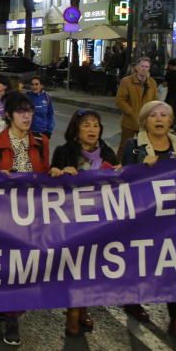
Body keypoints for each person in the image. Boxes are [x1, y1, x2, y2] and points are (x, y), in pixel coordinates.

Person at [0, 91, 50, 347]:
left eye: (29, 111)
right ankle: (10, 316)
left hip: (32, 216)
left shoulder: (41, 142)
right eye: (20, 112)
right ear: (8, 115)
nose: (26, 116)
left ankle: (11, 312)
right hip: (5, 216)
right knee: (8, 267)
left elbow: (43, 177)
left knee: (24, 268)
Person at [118, 100, 176, 336]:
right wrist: (142, 166)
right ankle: (133, 301)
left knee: (173, 264)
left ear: (170, 121)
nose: (159, 119)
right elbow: (125, 179)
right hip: (143, 215)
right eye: (153, 115)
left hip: (172, 218)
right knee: (141, 261)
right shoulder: (134, 146)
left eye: (164, 115)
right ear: (145, 121)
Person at [49, 109, 120, 336]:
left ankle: (83, 308)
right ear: (77, 131)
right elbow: (51, 182)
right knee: (75, 268)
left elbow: (120, 186)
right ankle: (72, 311)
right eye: (87, 125)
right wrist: (59, 172)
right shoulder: (64, 152)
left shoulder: (108, 154)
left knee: (91, 269)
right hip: (72, 222)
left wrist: (120, 173)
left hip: (99, 222)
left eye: (96, 125)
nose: (92, 130)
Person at [115, 57, 158, 159]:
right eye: (142, 66)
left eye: (146, 67)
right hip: (129, 121)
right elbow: (120, 100)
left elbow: (155, 101)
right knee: (124, 147)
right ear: (137, 68)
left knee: (145, 147)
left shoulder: (152, 83)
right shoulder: (126, 81)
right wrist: (131, 112)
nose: (144, 69)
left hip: (145, 122)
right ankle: (117, 166)